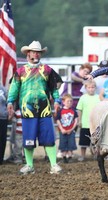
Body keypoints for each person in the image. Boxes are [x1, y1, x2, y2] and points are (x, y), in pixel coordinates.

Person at [7, 41, 63, 175]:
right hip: (27, 110)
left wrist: (57, 100)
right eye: (33, 52)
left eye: (38, 52)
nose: (36, 54)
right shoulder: (20, 72)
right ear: (28, 53)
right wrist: (10, 102)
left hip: (45, 110)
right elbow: (14, 88)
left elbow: (54, 87)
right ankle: (29, 165)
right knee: (29, 138)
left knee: (48, 137)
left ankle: (54, 165)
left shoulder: (47, 70)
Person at [76, 80, 100, 161]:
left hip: (96, 124)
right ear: (86, 88)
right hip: (85, 123)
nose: (91, 89)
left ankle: (96, 155)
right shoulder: (83, 98)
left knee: (96, 141)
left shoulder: (98, 97)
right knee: (83, 142)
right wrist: (79, 120)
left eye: (92, 87)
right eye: (89, 87)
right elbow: (79, 110)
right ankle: (82, 155)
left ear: (95, 88)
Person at [55, 94, 78, 163]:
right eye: (68, 101)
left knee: (71, 143)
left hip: (71, 130)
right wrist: (62, 129)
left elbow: (76, 120)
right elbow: (58, 120)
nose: (70, 103)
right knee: (63, 143)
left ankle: (70, 156)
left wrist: (72, 129)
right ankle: (64, 156)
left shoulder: (73, 111)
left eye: (71, 101)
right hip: (63, 130)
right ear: (63, 102)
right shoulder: (60, 111)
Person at [0, 85, 9, 165]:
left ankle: (1, 158)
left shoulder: (3, 89)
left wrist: (9, 113)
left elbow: (9, 102)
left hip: (3, 117)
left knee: (2, 138)